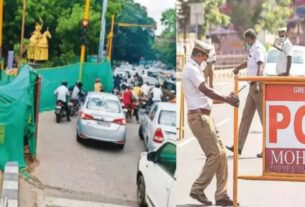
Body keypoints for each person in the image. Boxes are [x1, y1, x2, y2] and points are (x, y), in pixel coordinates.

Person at [182, 39, 239, 206]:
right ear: (199, 55)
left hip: (205, 117)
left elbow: (206, 96)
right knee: (214, 154)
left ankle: (221, 195)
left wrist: (226, 99)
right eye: (205, 58)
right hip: (199, 118)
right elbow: (206, 90)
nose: (206, 61)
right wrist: (226, 99)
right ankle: (197, 189)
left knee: (221, 154)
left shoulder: (195, 69)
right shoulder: (191, 69)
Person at [226, 28, 267, 158]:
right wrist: (238, 67)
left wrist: (259, 83)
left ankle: (267, 149)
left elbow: (261, 65)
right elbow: (248, 62)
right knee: (245, 117)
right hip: (252, 87)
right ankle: (238, 146)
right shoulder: (253, 49)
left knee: (264, 120)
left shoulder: (259, 48)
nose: (246, 42)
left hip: (258, 88)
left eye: (246, 40)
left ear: (249, 39)